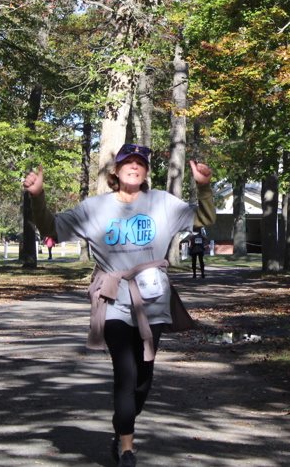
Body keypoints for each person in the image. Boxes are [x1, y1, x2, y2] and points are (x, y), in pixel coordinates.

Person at [23, 144, 215, 467]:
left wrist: (204, 187)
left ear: (146, 172)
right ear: (116, 170)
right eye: (128, 162)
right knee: (125, 374)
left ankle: (121, 426)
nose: (134, 167)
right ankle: (127, 448)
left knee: (144, 378)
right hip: (112, 300)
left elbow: (204, 217)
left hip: (153, 302)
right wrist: (37, 196)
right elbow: (51, 228)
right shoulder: (94, 207)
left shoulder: (162, 203)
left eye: (141, 163)